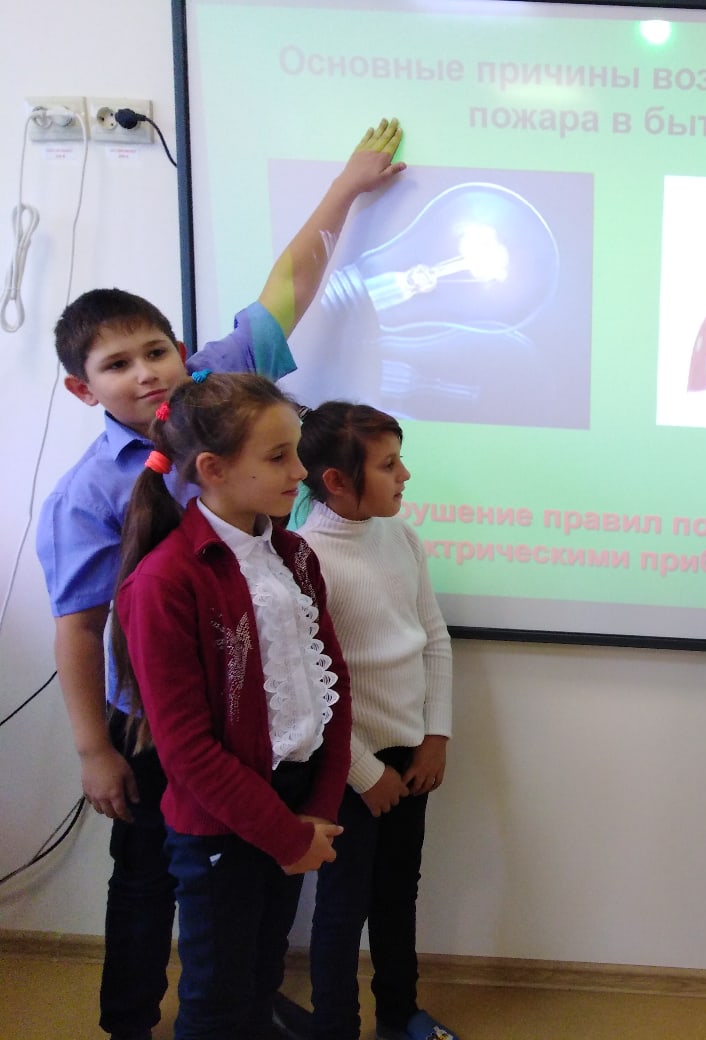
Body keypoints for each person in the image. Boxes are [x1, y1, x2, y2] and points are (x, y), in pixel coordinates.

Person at [35, 118, 405, 1040]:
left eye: (155, 351)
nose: (146, 374)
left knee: (244, 909)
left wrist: (347, 187)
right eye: (116, 366)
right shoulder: (91, 496)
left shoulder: (226, 392)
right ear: (83, 388)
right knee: (153, 882)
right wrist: (95, 749)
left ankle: (243, 1005)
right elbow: (80, 627)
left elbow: (289, 285)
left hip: (254, 715)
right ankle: (134, 1020)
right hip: (158, 721)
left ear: (182, 349)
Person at [111, 372, 353, 1039]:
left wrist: (317, 809)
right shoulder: (166, 580)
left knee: (261, 979)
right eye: (278, 457)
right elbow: (187, 751)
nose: (300, 472)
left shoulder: (294, 555)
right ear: (213, 470)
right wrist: (287, 836)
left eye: (296, 452)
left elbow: (332, 686)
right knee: (218, 999)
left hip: (296, 807)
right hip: (221, 825)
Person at [294, 402, 456, 1040]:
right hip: (346, 769)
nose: (404, 475)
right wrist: (363, 773)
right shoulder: (306, 559)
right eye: (389, 465)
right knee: (342, 905)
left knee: (397, 895)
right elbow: (313, 687)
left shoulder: (401, 537)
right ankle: (336, 1025)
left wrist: (435, 736)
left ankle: (399, 1014)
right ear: (336, 480)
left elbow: (433, 639)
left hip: (410, 757)